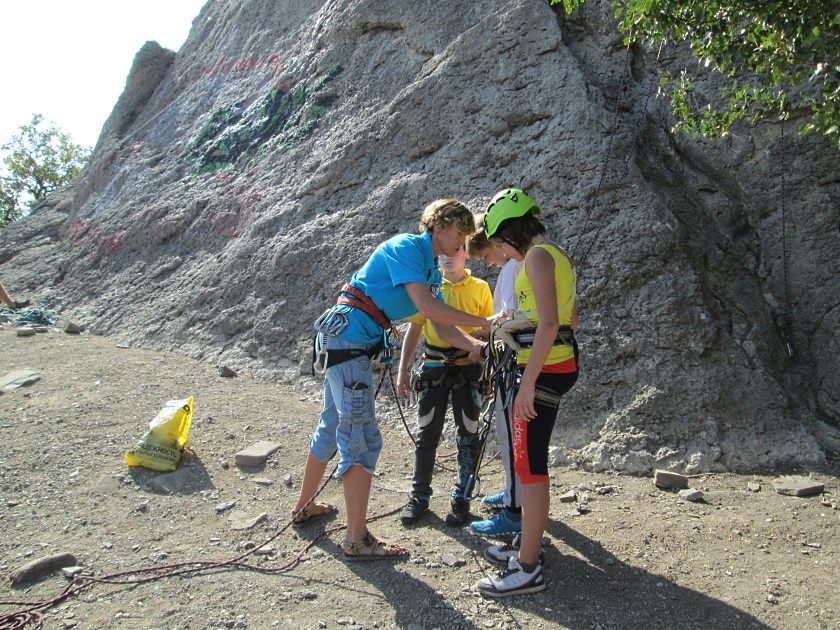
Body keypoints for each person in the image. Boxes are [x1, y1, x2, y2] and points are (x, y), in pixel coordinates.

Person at [293, 199, 492, 561]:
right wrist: (486, 323)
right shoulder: (407, 248)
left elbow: (442, 327)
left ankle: (305, 506)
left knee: (334, 422)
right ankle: (356, 539)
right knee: (361, 436)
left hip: (349, 342)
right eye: (459, 235)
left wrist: (477, 344)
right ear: (438, 224)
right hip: (350, 343)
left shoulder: (430, 270)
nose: (462, 245)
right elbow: (429, 310)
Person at [473, 188, 579, 597]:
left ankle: (529, 567)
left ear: (511, 232)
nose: (499, 249)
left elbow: (549, 324)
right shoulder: (554, 253)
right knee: (528, 462)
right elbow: (566, 316)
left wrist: (528, 385)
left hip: (543, 370)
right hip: (556, 363)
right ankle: (527, 546)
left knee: (530, 466)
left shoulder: (535, 257)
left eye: (498, 242)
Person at [396, 245, 493, 526]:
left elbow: (487, 328)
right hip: (434, 364)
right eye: (446, 251)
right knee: (427, 435)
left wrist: (486, 371)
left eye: (457, 250)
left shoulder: (480, 287)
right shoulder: (430, 285)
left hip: (469, 366)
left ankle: (462, 497)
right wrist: (402, 370)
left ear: (466, 254)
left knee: (469, 435)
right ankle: (419, 497)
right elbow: (415, 327)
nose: (450, 256)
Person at [464, 224, 525, 536]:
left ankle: (515, 508)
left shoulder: (515, 268)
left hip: (511, 360)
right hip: (507, 358)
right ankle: (513, 492)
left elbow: (510, 317)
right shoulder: (511, 268)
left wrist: (484, 334)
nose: (486, 262)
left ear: (497, 244)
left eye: (486, 255)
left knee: (510, 432)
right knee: (506, 432)